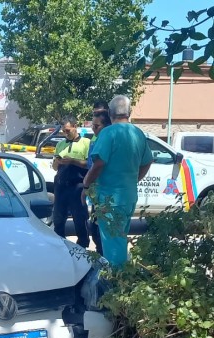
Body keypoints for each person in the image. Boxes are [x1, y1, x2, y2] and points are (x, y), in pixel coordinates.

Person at [84, 95, 153, 268]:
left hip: (109, 199)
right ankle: (122, 281)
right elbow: (147, 161)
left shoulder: (108, 133)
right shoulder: (137, 133)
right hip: (128, 197)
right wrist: (133, 179)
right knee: (119, 240)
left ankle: (117, 285)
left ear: (110, 113)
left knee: (113, 247)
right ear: (129, 112)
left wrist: (85, 184)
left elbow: (98, 163)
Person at [51, 116, 92, 248]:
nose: (66, 133)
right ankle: (60, 245)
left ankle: (83, 245)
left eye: (68, 130)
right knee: (58, 219)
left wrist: (73, 161)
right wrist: (58, 161)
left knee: (80, 218)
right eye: (63, 131)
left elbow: (90, 164)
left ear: (75, 127)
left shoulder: (86, 143)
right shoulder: (60, 144)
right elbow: (54, 167)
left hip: (77, 185)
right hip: (61, 186)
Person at [86, 109, 111, 253]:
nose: (94, 129)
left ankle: (108, 267)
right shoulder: (96, 139)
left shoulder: (107, 140)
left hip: (106, 192)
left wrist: (85, 185)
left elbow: (98, 165)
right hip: (96, 192)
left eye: (97, 126)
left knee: (103, 231)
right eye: (92, 126)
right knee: (94, 228)